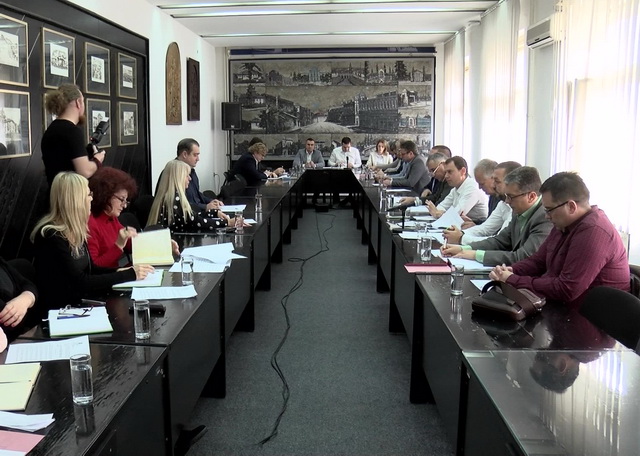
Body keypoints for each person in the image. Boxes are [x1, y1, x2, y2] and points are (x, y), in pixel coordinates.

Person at [489, 172, 630, 307]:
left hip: (589, 316)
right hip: (559, 306)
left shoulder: (594, 231)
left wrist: (513, 279)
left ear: (571, 207)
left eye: (549, 210)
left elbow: (567, 289)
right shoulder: (565, 223)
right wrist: (512, 270)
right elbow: (538, 261)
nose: (546, 216)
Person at [31, 172, 154, 312]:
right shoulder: (51, 236)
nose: (91, 198)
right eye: (88, 194)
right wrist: (129, 274)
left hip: (79, 303)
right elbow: (80, 281)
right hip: (62, 311)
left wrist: (119, 270)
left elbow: (91, 269)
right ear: (75, 200)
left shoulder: (75, 229)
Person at [442, 166, 553, 266]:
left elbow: (522, 257)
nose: (507, 201)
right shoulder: (519, 211)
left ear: (531, 197)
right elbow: (499, 241)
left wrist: (475, 254)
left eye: (511, 197)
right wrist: (463, 249)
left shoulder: (544, 218)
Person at [41, 84, 105, 187]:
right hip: (72, 194)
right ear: (78, 102)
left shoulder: (51, 130)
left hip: (54, 193)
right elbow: (85, 171)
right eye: (83, 101)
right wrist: (98, 160)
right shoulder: (72, 131)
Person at [444, 161, 521, 244]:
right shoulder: (502, 203)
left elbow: (499, 241)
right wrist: (459, 233)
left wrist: (461, 238)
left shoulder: (517, 207)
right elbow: (485, 229)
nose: (493, 185)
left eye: (497, 181)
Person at [149, 160, 235, 233]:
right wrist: (227, 222)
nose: (190, 178)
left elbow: (191, 217)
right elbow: (197, 222)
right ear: (178, 178)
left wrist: (214, 213)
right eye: (187, 176)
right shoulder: (176, 200)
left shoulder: (168, 197)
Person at [88, 167, 139, 268]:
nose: (124, 205)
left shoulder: (111, 217)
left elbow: (130, 244)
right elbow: (94, 267)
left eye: (126, 201)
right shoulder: (91, 223)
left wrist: (163, 244)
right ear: (106, 195)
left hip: (115, 273)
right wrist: (119, 245)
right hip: (106, 276)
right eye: (122, 199)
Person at [426, 156, 488, 222]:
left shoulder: (472, 187)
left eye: (450, 172)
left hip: (476, 226)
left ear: (463, 171)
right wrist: (439, 213)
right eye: (446, 172)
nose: (446, 176)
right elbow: (440, 208)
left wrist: (439, 213)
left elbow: (456, 215)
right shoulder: (455, 189)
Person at [175, 138, 224, 212]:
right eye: (195, 155)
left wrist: (211, 201)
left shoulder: (192, 171)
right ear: (184, 154)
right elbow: (182, 205)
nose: (198, 159)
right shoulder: (174, 174)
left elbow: (197, 195)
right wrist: (205, 207)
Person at [0, 258, 38, 341]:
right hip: (11, 339)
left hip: (23, 331)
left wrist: (27, 297)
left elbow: (27, 284)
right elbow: (8, 321)